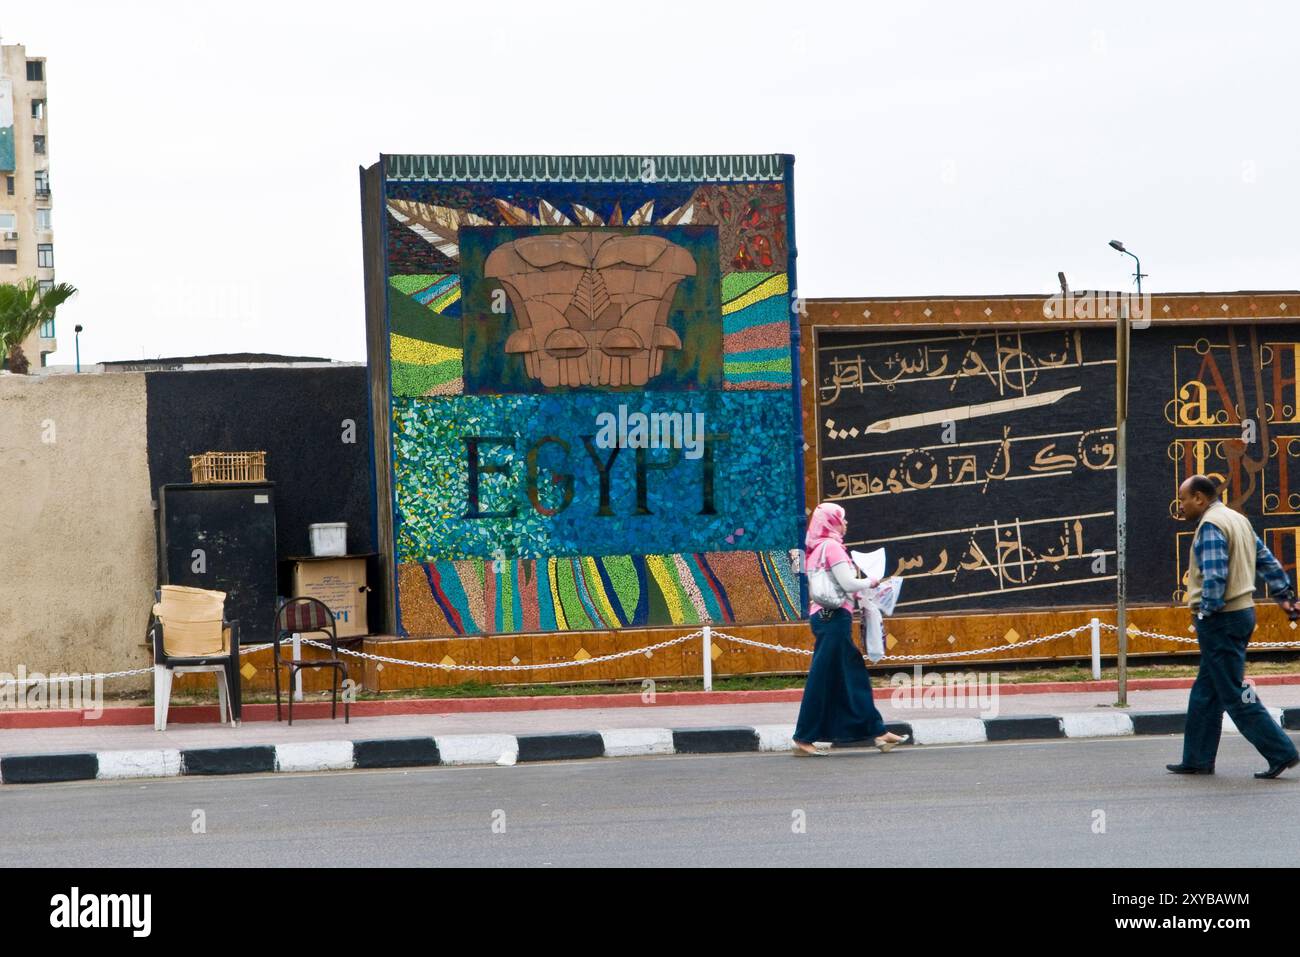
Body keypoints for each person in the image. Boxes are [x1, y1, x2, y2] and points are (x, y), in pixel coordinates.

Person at [1167, 475, 1300, 779]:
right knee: (1206, 690)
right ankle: (1197, 758)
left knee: (1235, 693)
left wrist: (1207, 613)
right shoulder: (1236, 519)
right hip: (1241, 613)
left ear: (1200, 498)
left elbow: (1215, 576)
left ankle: (1281, 751)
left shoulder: (1211, 525)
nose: (1182, 505)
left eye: (1184, 499)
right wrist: (1285, 595)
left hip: (1221, 618)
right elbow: (1266, 560)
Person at [792, 502, 909, 756]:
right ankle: (803, 738)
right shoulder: (832, 547)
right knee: (824, 678)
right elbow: (847, 583)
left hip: (827, 618)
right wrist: (874, 581)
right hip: (832, 619)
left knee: (850, 677)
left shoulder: (817, 548)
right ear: (832, 521)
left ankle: (878, 732)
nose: (846, 523)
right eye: (842, 519)